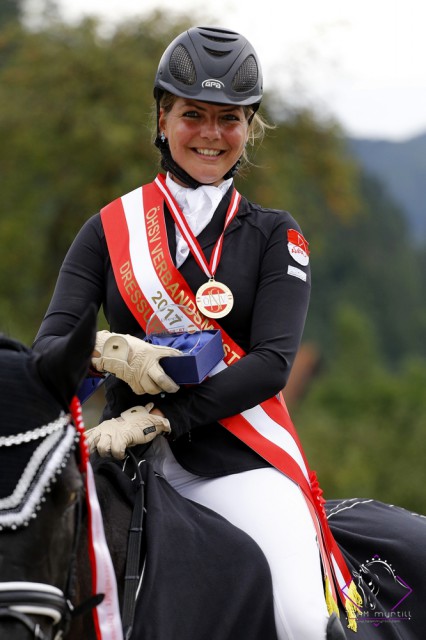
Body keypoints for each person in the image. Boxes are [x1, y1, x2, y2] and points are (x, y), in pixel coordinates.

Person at [33, 26, 356, 639]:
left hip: (237, 467)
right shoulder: (106, 231)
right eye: (193, 115)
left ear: (248, 127)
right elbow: (50, 353)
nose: (211, 133)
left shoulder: (274, 236)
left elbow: (270, 364)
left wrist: (165, 419)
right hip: (120, 465)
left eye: (228, 118)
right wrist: (107, 352)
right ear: (162, 117)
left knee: (300, 617)